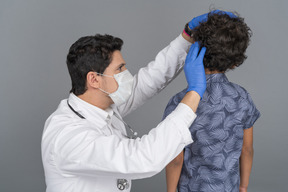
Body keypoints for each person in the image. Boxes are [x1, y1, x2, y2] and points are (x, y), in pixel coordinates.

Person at [41, 12, 211, 191]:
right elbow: (143, 158)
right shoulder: (68, 136)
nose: (126, 74)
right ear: (94, 79)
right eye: (120, 68)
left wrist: (186, 38)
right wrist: (194, 92)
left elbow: (148, 82)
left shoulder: (102, 107)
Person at [163, 10, 260, 192]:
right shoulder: (242, 97)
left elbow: (175, 159)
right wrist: (243, 186)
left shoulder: (178, 103)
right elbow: (247, 150)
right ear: (234, 62)